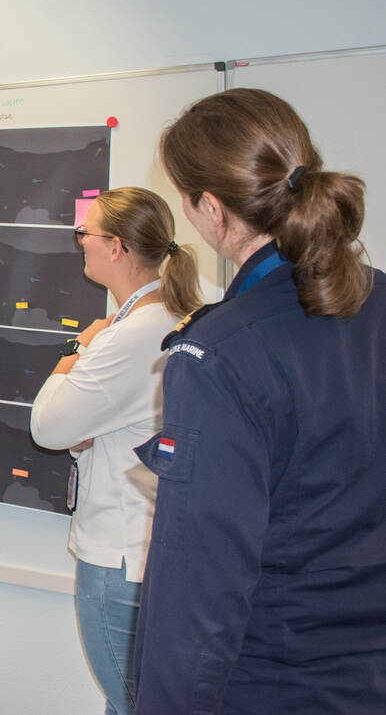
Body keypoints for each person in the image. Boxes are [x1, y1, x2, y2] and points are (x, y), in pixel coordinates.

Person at [133, 88, 386, 714]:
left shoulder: (217, 354)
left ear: (211, 208)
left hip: (278, 682)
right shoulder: (377, 300)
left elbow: (199, 584)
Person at [30, 187, 202, 715]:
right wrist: (84, 431)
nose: (80, 241)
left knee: (130, 703)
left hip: (119, 554)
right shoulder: (166, 317)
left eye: (87, 233)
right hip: (145, 547)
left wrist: (76, 348)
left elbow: (47, 426)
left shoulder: (127, 335)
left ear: (118, 247)